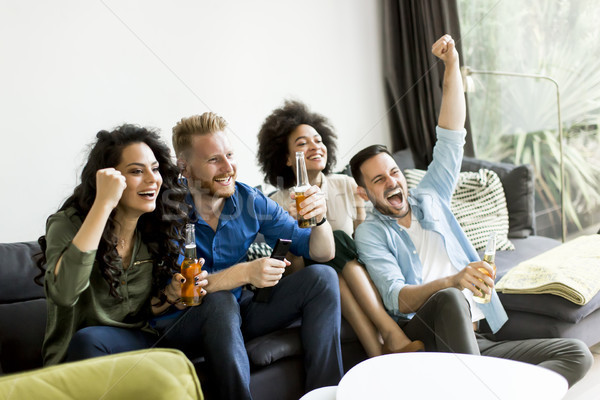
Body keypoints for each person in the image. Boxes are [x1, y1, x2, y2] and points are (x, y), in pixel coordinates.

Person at [349, 34, 593, 387]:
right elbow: (397, 298)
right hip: (428, 337)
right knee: (449, 298)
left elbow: (450, 135)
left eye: (394, 172)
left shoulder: (430, 196)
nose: (391, 182)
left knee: (576, 354)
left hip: (476, 339)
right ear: (362, 191)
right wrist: (453, 280)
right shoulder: (370, 232)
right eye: (378, 180)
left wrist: (450, 66)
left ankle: (485, 387)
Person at [171, 112, 343, 399]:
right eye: (214, 160)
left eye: (229, 154)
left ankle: (324, 395)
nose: (228, 167)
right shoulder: (167, 212)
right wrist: (246, 273)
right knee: (220, 300)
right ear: (185, 168)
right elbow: (186, 290)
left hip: (239, 314)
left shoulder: (248, 199)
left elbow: (321, 253)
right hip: (184, 323)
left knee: (323, 278)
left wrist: (320, 219)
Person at [256, 100, 424, 357]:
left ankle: (377, 351)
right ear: (287, 159)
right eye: (302, 143)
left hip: (353, 273)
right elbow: (293, 272)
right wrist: (294, 230)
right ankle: (389, 335)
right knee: (329, 256)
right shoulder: (277, 202)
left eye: (318, 139)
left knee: (340, 243)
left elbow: (362, 242)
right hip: (310, 283)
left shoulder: (346, 185)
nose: (315, 146)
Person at [36, 124, 209, 367]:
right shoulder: (67, 224)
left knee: (218, 307)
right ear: (108, 180)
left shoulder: (153, 228)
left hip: (136, 345)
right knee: (90, 339)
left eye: (155, 169)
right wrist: (103, 204)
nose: (152, 179)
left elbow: (139, 313)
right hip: (79, 355)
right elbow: (64, 293)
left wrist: (171, 296)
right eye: (137, 171)